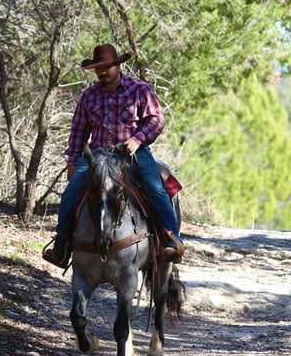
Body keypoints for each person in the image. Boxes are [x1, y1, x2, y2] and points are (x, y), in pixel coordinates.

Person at [42, 44, 185, 268]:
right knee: (70, 194)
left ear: (118, 65)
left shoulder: (139, 89)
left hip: (132, 153)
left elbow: (156, 119)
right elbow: (78, 131)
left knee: (156, 188)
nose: (102, 71)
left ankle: (171, 240)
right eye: (98, 68)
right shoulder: (89, 96)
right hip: (98, 155)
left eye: (107, 66)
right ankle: (62, 245)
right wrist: (72, 161)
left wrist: (138, 139)